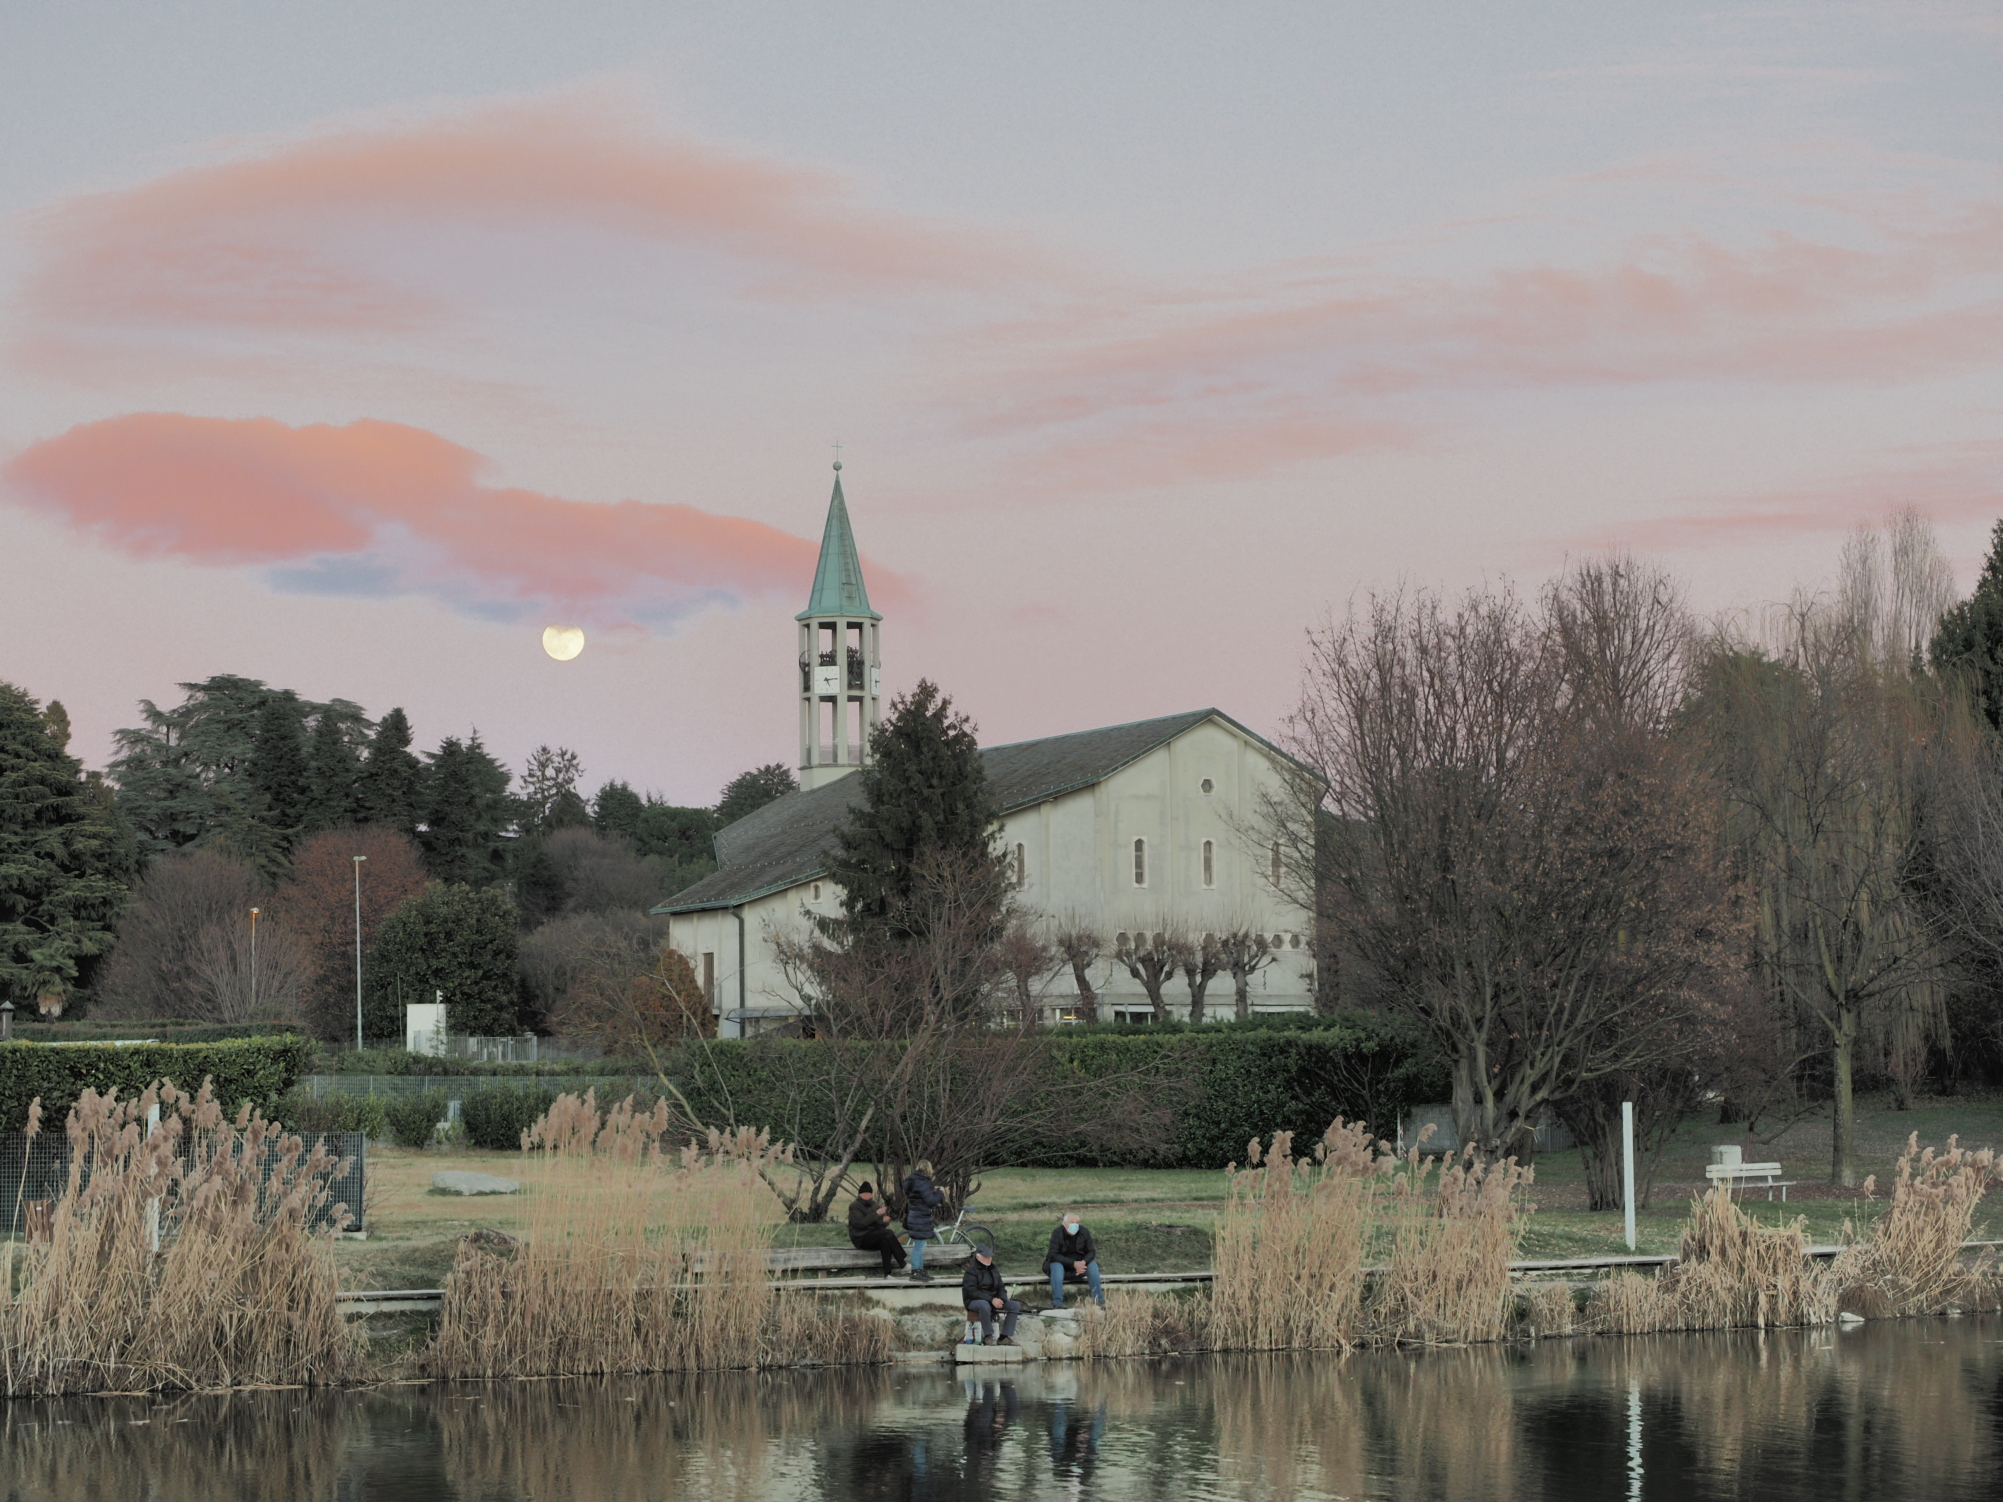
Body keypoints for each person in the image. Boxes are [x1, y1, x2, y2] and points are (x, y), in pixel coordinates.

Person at [961, 1245, 1021, 1346]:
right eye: (986, 1257)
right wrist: (991, 1299)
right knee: (984, 1305)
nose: (989, 1259)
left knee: (1014, 1306)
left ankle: (1004, 1337)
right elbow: (972, 1291)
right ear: (978, 1257)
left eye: (990, 1257)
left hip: (993, 1300)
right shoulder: (971, 1271)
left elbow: (1001, 1287)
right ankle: (988, 1336)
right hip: (974, 1301)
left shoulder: (993, 1269)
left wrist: (1001, 1299)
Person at [1045, 1210, 1104, 1308]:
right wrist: (1073, 1264)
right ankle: (1058, 1302)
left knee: (1093, 1265)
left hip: (1080, 1267)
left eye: (1077, 1223)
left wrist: (1083, 1262)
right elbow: (1052, 1254)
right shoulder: (1057, 1233)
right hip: (1062, 1267)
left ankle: (1098, 1300)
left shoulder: (1084, 1232)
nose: (1075, 1225)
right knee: (1056, 1265)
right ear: (1065, 1224)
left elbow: (1091, 1251)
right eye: (1072, 1223)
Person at [846, 1181, 907, 1275]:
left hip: (873, 1235)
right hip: (861, 1238)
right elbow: (860, 1224)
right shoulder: (854, 1206)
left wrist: (884, 1222)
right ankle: (903, 1264)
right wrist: (877, 1214)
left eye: (870, 1195)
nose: (869, 1197)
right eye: (867, 1195)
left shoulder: (873, 1204)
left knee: (885, 1241)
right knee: (888, 1233)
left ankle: (887, 1274)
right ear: (862, 1194)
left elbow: (878, 1224)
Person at [903, 1159, 946, 1283]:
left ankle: (920, 1269)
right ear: (928, 1169)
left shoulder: (914, 1180)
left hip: (915, 1215)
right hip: (920, 1217)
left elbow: (920, 1195)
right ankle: (916, 1270)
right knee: (919, 1245)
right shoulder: (922, 1182)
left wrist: (932, 1189)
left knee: (921, 1244)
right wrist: (940, 1193)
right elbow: (931, 1202)